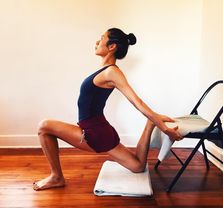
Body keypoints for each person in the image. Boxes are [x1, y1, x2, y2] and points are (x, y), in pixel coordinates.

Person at [33, 28, 182, 191]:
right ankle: (148, 125)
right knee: (138, 166)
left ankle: (56, 177)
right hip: (101, 130)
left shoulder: (112, 72)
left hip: (92, 133)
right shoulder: (106, 71)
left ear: (112, 46)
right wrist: (154, 120)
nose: (97, 42)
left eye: (101, 38)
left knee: (44, 126)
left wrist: (164, 128)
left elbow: (136, 101)